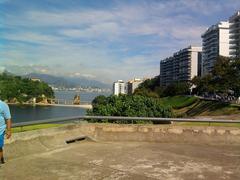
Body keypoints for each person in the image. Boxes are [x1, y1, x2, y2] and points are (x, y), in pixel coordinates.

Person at [0, 100, 12, 165]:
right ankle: (1, 159)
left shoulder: (3, 105)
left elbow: (8, 118)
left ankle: (1, 160)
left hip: (0, 130)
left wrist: (9, 130)